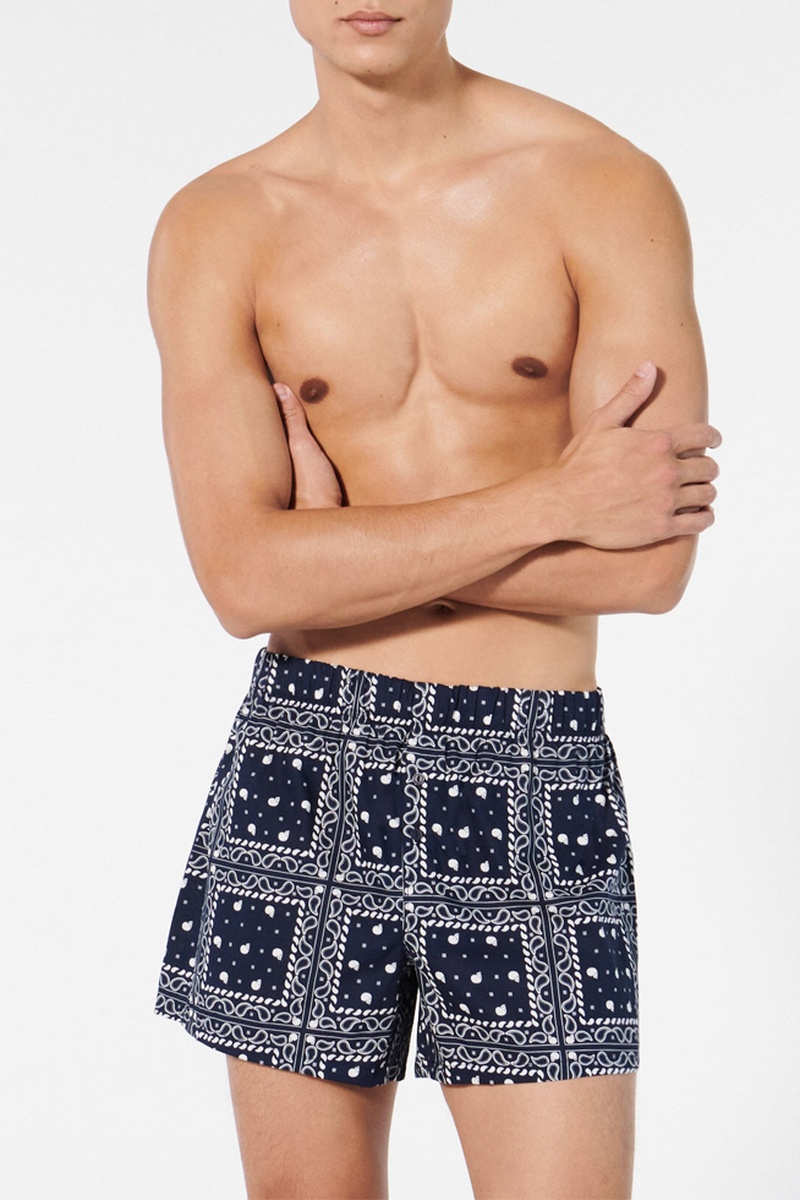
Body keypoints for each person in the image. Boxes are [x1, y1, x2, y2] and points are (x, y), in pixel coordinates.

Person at [149, 3, 720, 1197]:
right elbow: (242, 579)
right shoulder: (219, 224)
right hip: (304, 757)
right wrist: (552, 499)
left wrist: (336, 547)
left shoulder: (599, 185)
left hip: (530, 761)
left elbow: (645, 567)